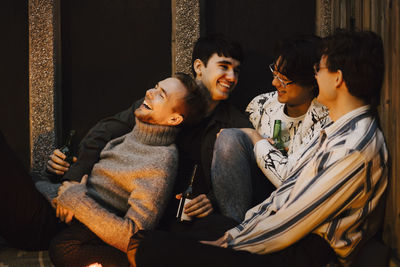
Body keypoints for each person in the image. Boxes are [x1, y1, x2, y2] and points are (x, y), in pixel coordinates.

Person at [133, 29, 388, 267]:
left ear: (338, 78)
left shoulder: (352, 147)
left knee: (149, 248)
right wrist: (237, 230)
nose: (315, 76)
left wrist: (230, 242)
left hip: (302, 250)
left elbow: (293, 219)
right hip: (274, 230)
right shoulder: (337, 130)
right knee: (188, 230)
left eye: (318, 70)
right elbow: (288, 196)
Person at [46, 34, 251, 225]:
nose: (231, 77)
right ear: (199, 66)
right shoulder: (164, 99)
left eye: (237, 71)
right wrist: (70, 179)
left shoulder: (235, 125)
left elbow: (240, 183)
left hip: (175, 221)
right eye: (224, 66)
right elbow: (104, 132)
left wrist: (212, 200)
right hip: (114, 203)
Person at [46, 73, 207, 267]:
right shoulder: (130, 134)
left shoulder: (160, 161)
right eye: (155, 86)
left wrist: (76, 200)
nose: (149, 92)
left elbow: (133, 238)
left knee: (63, 249)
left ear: (174, 119)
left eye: (161, 94)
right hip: (68, 212)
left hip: (87, 227)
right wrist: (62, 189)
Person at [212, 35, 330, 222]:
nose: (275, 83)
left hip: (292, 205)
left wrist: (254, 137)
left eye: (284, 79)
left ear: (311, 82)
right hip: (251, 196)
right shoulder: (261, 105)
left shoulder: (323, 119)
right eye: (275, 74)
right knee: (229, 138)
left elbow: (293, 184)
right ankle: (233, 227)